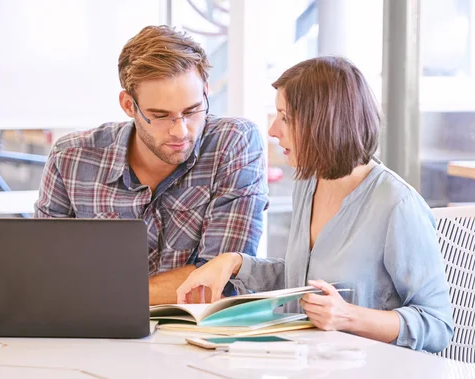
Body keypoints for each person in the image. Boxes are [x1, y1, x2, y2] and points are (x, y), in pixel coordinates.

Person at [177, 57, 453, 353]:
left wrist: (347, 316)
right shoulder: (308, 183)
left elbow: (437, 325)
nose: (272, 130)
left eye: (285, 117)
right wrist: (233, 262)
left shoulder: (398, 205)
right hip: (309, 372)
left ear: (323, 123)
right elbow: (303, 282)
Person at [35, 25, 268, 305]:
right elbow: (47, 275)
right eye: (160, 115)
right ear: (128, 105)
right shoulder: (71, 158)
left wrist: (93, 294)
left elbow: (222, 282)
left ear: (206, 91)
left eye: (192, 111)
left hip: (201, 338)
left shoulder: (233, 143)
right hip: (97, 335)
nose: (180, 131)